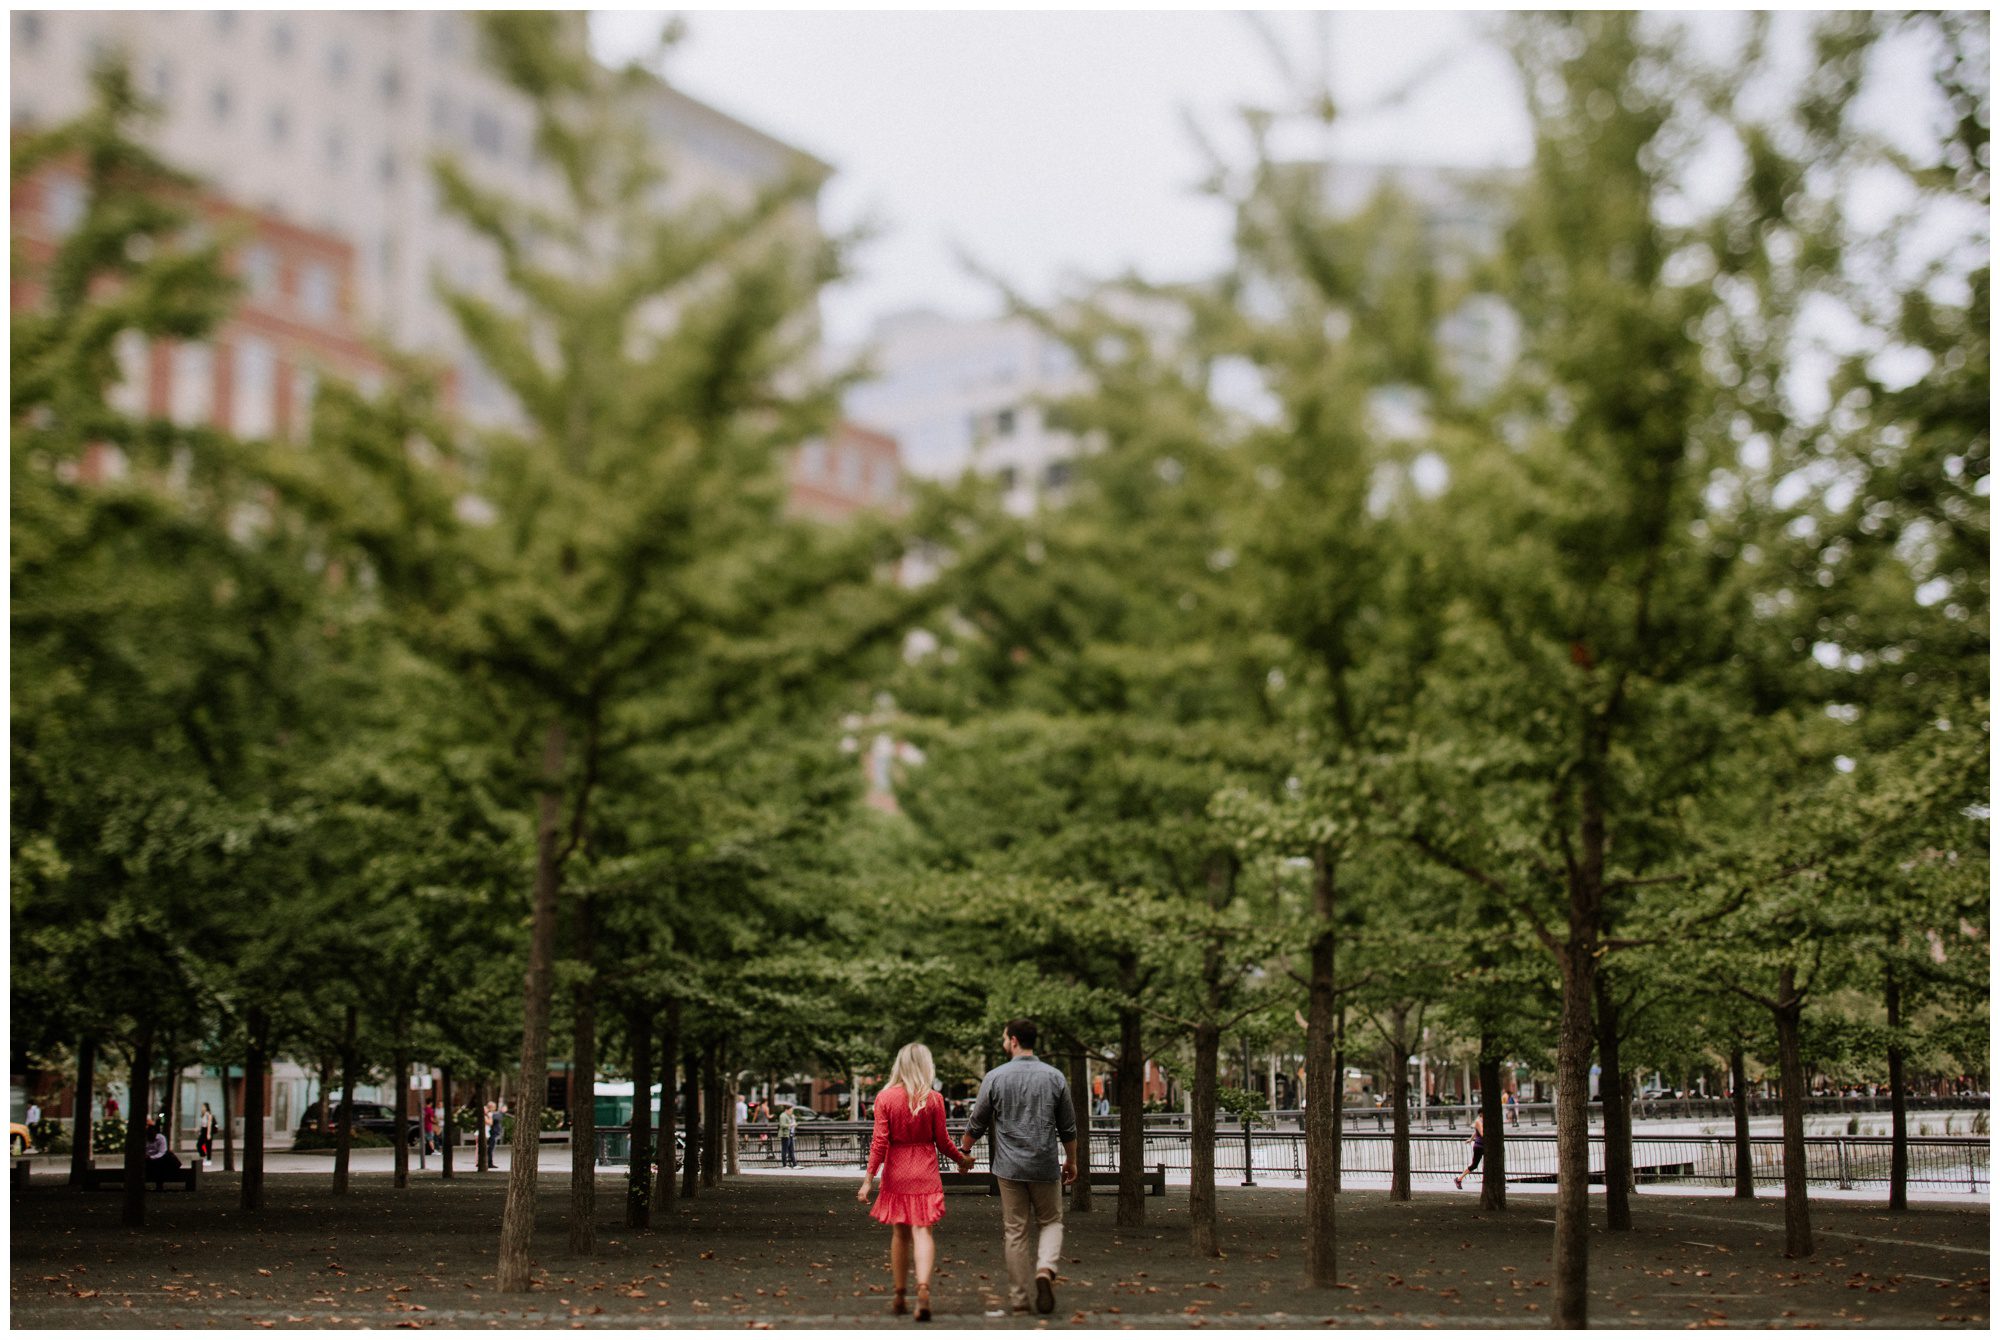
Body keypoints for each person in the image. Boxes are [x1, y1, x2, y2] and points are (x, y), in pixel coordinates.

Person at [963, 1019, 1078, 1316]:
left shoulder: (995, 1077)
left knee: (1015, 1231)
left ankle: (1019, 1300)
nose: (1003, 1042)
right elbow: (1068, 1128)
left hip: (1009, 1167)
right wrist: (1071, 1160)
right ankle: (1045, 1268)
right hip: (1044, 1165)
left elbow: (977, 1122)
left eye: (1004, 1038)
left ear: (1013, 1040)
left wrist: (963, 1151)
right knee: (1051, 1221)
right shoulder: (1055, 1077)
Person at [856, 1043, 973, 1322]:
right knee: (923, 1233)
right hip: (925, 1170)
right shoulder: (934, 1098)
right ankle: (923, 1290)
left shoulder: (884, 1098)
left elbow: (880, 1142)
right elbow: (942, 1141)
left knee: (900, 1234)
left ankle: (899, 1295)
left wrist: (868, 1179)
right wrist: (962, 1160)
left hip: (897, 1171)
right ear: (925, 1065)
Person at [145, 1119, 184, 1189]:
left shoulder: (160, 1138)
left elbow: (162, 1152)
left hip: (159, 1159)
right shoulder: (145, 1138)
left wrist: (151, 1157)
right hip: (149, 1159)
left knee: (161, 1161)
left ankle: (159, 1185)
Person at [1453, 1112, 1486, 1190]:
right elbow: (1481, 1133)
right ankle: (1458, 1179)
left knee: (1490, 1163)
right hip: (1479, 1146)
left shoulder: (1484, 1120)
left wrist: (1470, 1140)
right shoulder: (1478, 1121)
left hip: (1485, 1145)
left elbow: (1475, 1132)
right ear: (1481, 1113)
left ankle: (1491, 1182)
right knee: (1474, 1165)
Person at [778, 1103, 800, 1168]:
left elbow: (792, 1122)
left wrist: (793, 1118)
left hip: (790, 1134)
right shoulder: (783, 1116)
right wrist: (791, 1125)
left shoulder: (788, 1115)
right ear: (786, 1110)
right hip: (785, 1135)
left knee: (791, 1150)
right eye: (790, 1111)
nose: (791, 1112)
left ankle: (794, 1164)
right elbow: (782, 1125)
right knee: (785, 1150)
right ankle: (784, 1165)